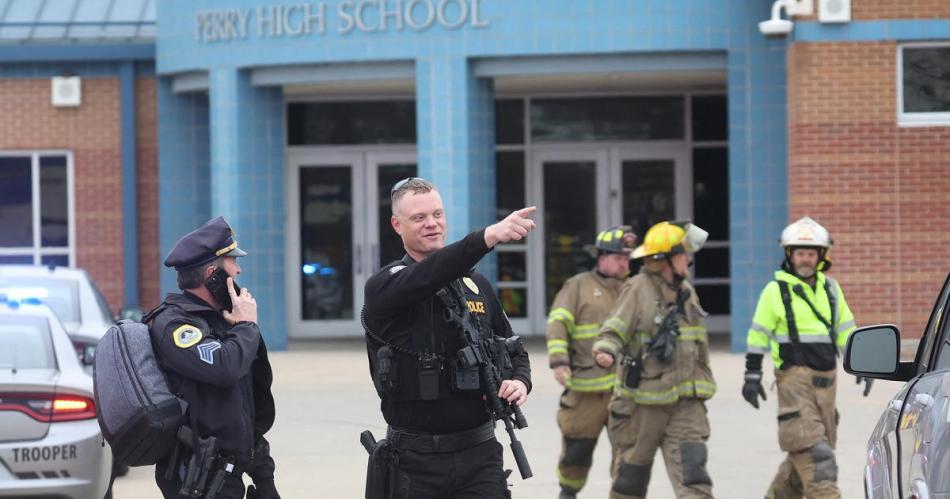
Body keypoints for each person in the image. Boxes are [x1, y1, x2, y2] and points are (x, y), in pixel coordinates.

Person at [362, 177, 534, 497]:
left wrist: (519, 382)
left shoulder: (476, 285)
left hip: (479, 455)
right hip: (414, 463)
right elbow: (430, 274)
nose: (432, 224)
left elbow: (514, 349)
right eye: (419, 218)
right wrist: (488, 236)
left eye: (437, 215)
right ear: (396, 225)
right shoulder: (385, 287)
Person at [144, 216, 280, 499]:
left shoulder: (220, 320)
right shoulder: (175, 326)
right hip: (198, 479)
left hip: (229, 475)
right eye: (233, 264)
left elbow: (242, 405)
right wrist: (246, 327)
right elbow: (225, 367)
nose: (239, 270)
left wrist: (263, 474)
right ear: (212, 274)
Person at [742, 216, 866, 499]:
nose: (805, 259)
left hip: (827, 387)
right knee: (819, 459)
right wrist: (752, 375)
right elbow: (758, 334)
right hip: (793, 384)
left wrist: (861, 363)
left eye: (811, 254)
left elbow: (846, 330)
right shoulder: (775, 291)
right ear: (790, 255)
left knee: (801, 460)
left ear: (821, 256)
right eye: (800, 253)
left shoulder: (831, 290)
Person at [593, 220, 715, 499]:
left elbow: (699, 345)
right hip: (641, 406)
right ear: (665, 260)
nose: (689, 260)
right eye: (684, 254)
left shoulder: (687, 293)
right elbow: (614, 328)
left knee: (695, 483)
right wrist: (605, 350)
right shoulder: (638, 288)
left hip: (686, 405)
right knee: (628, 485)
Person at [546, 226, 637, 499]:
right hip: (585, 390)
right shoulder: (578, 286)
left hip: (626, 390)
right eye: (619, 257)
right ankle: (568, 493)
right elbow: (558, 323)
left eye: (627, 258)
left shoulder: (635, 287)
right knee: (576, 454)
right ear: (602, 257)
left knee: (628, 456)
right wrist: (559, 362)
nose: (624, 263)